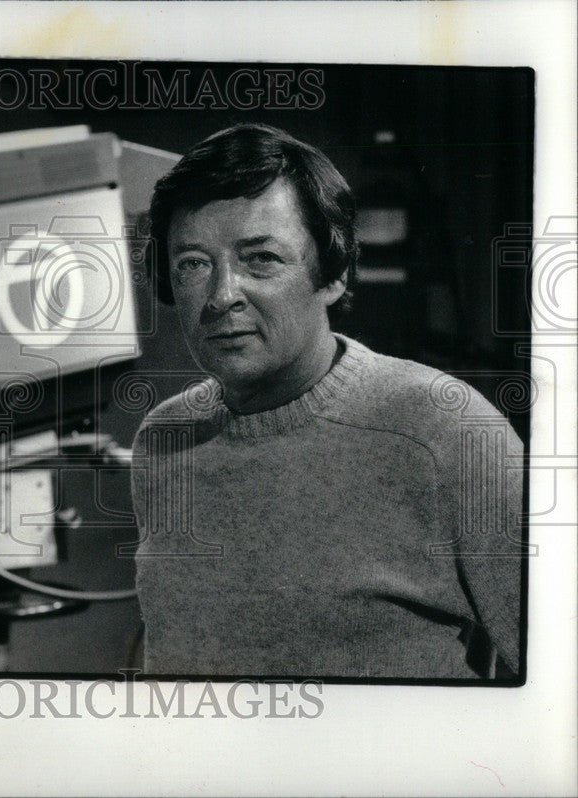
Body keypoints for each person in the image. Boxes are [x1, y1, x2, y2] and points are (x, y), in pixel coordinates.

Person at [131, 123, 525, 679]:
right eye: (193, 263)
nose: (221, 297)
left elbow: (561, 689)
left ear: (334, 273)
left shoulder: (446, 430)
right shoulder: (165, 437)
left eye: (261, 258)